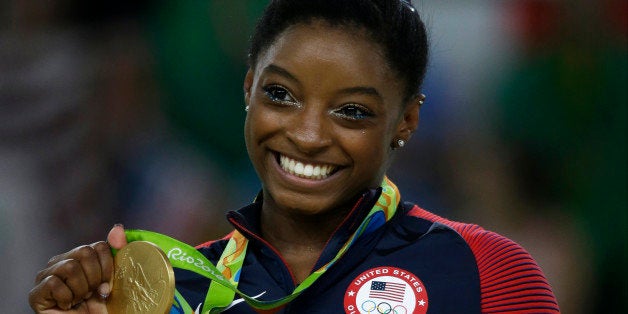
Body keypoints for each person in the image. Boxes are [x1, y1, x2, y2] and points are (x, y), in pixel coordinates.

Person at [28, 0, 560, 313]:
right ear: (247, 89)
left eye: (351, 110)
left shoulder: (487, 274)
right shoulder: (173, 291)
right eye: (280, 94)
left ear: (406, 121)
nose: (307, 136)